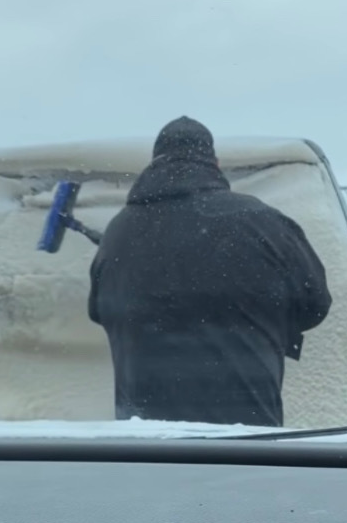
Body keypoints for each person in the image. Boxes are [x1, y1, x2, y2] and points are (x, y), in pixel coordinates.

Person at [88, 116, 332, 427]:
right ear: (214, 163)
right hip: (245, 437)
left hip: (147, 444)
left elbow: (99, 311)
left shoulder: (119, 232)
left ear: (154, 164)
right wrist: (256, 323)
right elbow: (315, 303)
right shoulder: (260, 221)